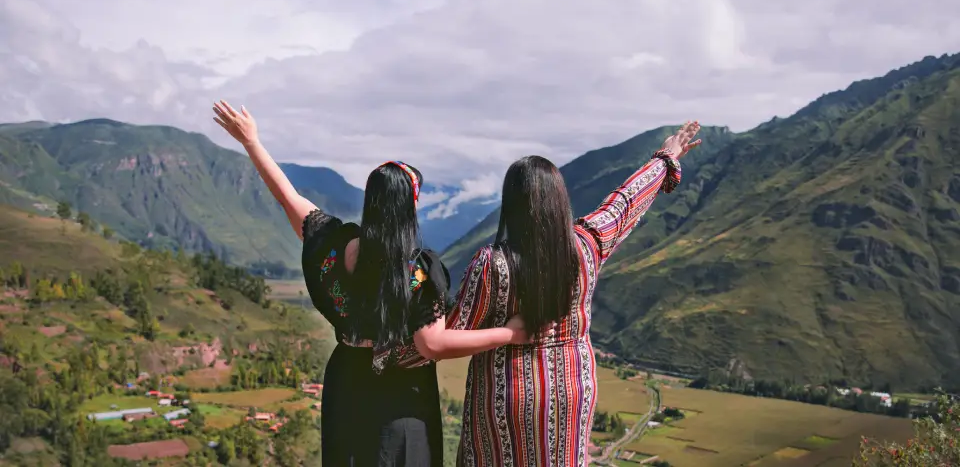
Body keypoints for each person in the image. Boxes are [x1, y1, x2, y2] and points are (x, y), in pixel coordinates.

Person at [212, 100, 535, 466]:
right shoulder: (418, 271)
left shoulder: (335, 243)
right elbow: (432, 343)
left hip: (346, 382)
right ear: (409, 209)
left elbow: (287, 197)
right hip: (400, 396)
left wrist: (251, 141)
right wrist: (511, 334)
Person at [447, 121, 702, 466]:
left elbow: (451, 331)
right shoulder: (587, 245)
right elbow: (624, 203)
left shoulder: (493, 265)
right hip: (572, 390)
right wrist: (665, 159)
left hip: (508, 396)